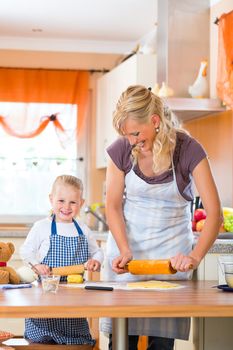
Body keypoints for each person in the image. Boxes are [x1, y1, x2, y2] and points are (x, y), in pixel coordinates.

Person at [101, 85, 222, 350]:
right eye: (126, 134)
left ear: (155, 122)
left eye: (135, 133)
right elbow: (112, 206)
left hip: (170, 261)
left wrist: (193, 257)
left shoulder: (189, 150)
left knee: (162, 345)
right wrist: (124, 250)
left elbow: (215, 214)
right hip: (128, 257)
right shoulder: (121, 149)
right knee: (121, 342)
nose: (131, 141)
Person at [20, 174, 104, 346]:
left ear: (81, 203)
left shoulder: (83, 230)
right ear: (51, 199)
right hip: (47, 293)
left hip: (76, 296)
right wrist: (36, 265)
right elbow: (26, 250)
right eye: (61, 201)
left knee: (75, 342)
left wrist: (95, 261)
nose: (66, 207)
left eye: (73, 202)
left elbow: (97, 252)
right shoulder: (42, 227)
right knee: (43, 343)